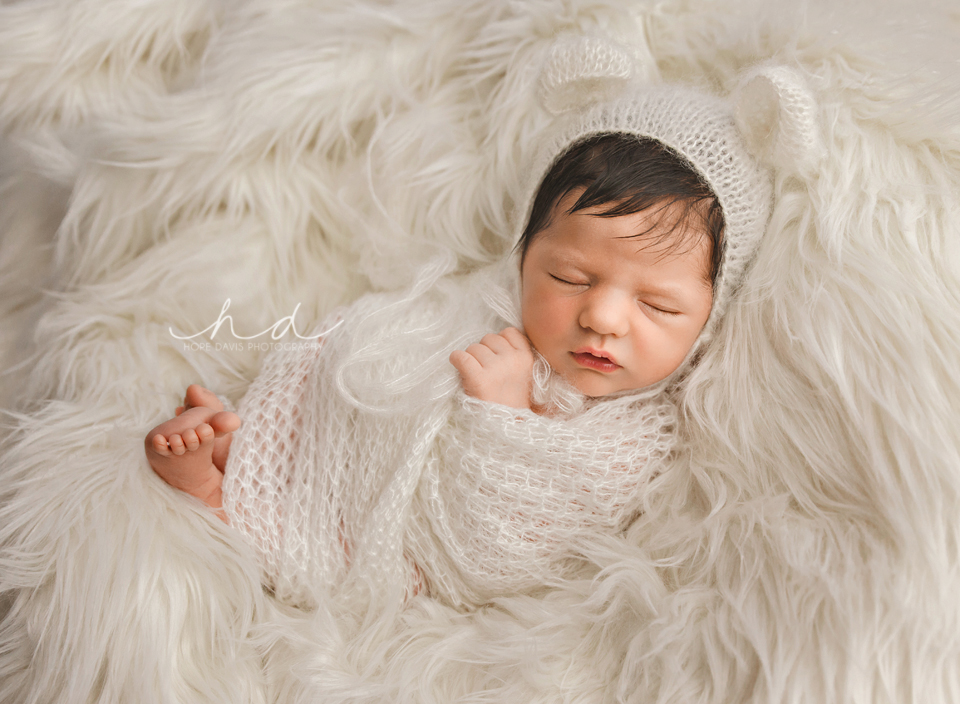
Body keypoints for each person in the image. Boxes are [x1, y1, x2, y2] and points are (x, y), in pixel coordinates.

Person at [144, 83, 772, 609]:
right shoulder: (480, 307)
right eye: (569, 277)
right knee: (351, 358)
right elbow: (380, 343)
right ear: (523, 257)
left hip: (409, 538)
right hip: (351, 449)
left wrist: (503, 416)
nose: (602, 317)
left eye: (657, 306)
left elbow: (498, 560)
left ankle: (213, 495)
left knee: (325, 550)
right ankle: (248, 441)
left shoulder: (632, 437)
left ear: (709, 318)